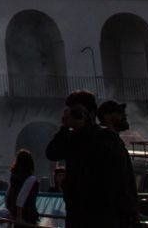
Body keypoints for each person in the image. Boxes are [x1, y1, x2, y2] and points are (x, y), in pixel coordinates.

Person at [45, 90, 137, 228]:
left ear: (91, 114)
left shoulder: (107, 139)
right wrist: (64, 127)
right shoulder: (72, 139)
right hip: (78, 216)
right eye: (72, 112)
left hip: (103, 216)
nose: (76, 115)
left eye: (79, 112)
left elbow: (124, 181)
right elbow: (51, 153)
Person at [4, 150, 41, 226]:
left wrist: (11, 212)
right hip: (26, 215)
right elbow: (21, 198)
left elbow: (9, 194)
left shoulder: (14, 177)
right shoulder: (31, 179)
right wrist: (19, 217)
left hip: (15, 213)